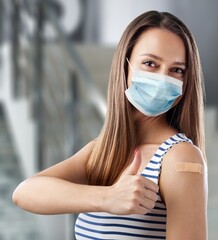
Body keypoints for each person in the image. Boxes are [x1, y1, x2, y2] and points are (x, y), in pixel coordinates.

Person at [12, 10, 207, 240]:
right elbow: (25, 192)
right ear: (125, 67)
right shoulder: (105, 150)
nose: (163, 79)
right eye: (150, 63)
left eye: (177, 70)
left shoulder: (181, 158)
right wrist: (108, 198)